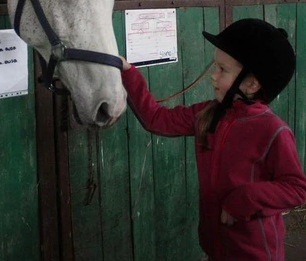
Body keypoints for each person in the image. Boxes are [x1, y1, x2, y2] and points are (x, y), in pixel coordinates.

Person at [120, 18, 306, 261]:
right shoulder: (209, 114)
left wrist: (242, 201)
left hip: (255, 254)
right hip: (215, 248)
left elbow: (296, 189)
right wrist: (127, 72)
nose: (213, 76)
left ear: (251, 84)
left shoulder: (272, 130)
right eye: (215, 67)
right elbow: (156, 119)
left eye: (223, 70)